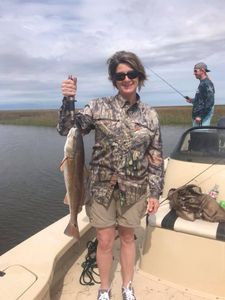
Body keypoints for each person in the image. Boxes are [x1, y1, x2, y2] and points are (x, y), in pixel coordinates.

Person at [57, 51, 164, 300]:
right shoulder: (97, 106)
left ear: (139, 76)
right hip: (101, 189)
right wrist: (68, 99)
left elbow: (156, 156)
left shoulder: (150, 115)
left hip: (136, 189)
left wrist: (155, 192)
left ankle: (127, 287)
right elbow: (67, 129)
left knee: (127, 238)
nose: (126, 79)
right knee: (105, 241)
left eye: (131, 74)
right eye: (120, 75)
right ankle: (104, 289)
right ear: (114, 80)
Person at [185, 62, 215, 126]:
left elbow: (210, 102)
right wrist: (192, 100)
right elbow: (201, 100)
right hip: (197, 117)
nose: (194, 73)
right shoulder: (202, 83)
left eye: (195, 71)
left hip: (201, 118)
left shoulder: (207, 83)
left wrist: (200, 116)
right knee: (196, 134)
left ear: (202, 71)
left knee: (201, 135)